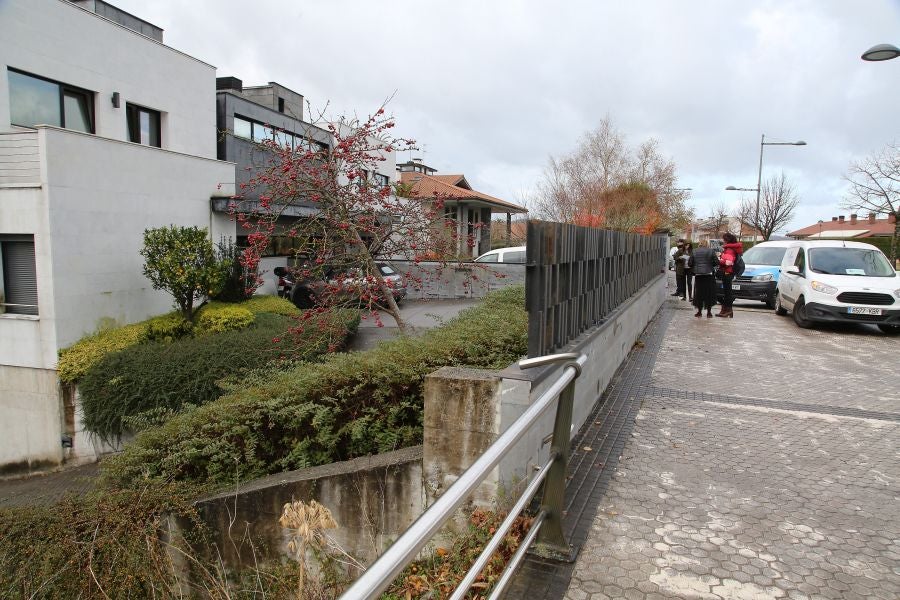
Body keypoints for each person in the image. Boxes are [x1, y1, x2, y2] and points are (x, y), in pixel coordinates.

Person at [717, 232, 744, 318]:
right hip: (729, 272)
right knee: (727, 292)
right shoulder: (731, 249)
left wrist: (719, 260)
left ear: (727, 240)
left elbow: (728, 262)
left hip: (727, 272)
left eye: (724, 239)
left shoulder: (729, 250)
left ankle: (728, 310)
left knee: (727, 293)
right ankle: (726, 310)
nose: (723, 241)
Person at [688, 240, 717, 318]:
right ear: (707, 244)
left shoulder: (694, 251)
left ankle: (699, 312)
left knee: (699, 293)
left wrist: (695, 266)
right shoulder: (711, 251)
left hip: (698, 274)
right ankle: (709, 313)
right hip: (709, 274)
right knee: (708, 293)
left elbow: (690, 263)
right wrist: (710, 264)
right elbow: (716, 262)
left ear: (699, 244)